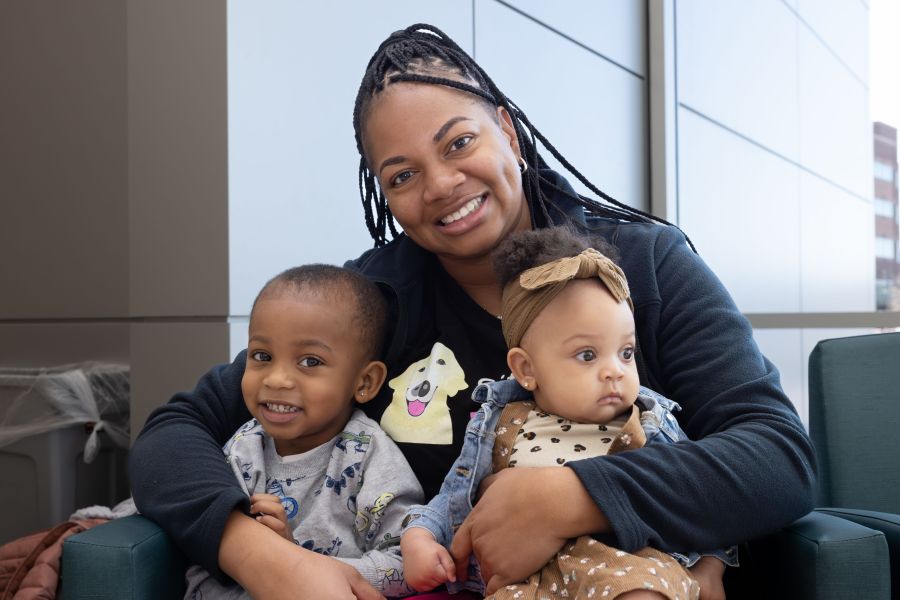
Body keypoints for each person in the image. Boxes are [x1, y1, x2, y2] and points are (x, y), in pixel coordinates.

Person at [128, 23, 815, 600]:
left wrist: (573, 496)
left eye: (459, 143)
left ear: (508, 133)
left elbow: (778, 457)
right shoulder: (373, 304)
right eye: (401, 175)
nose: (442, 185)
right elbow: (176, 428)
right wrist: (256, 553)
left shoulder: (642, 267)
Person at [400, 227, 733, 600]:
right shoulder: (497, 424)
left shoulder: (647, 423)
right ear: (526, 369)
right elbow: (452, 500)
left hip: (627, 566)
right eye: (587, 355)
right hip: (527, 583)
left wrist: (709, 566)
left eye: (626, 352)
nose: (615, 371)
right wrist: (419, 538)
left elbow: (695, 499)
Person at [182, 265, 423, 599]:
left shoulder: (368, 455)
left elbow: (406, 563)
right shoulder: (242, 447)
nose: (276, 379)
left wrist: (296, 562)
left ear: (364, 382)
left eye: (310, 362)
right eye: (262, 356)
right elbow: (196, 534)